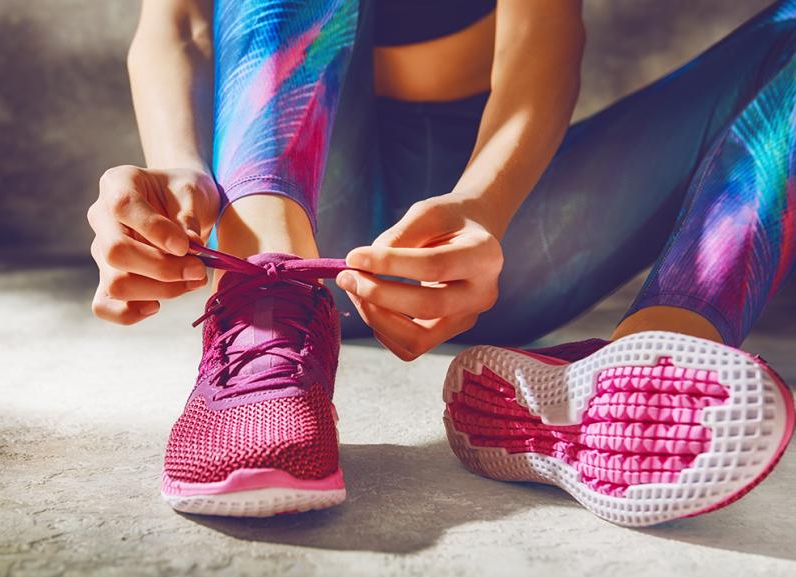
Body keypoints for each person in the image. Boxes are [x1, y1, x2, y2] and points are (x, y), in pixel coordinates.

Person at [87, 0, 796, 525]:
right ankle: (263, 318)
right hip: (295, 217)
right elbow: (174, 27)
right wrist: (180, 172)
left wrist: (480, 212)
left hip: (475, 244)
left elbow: (541, 48)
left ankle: (652, 368)